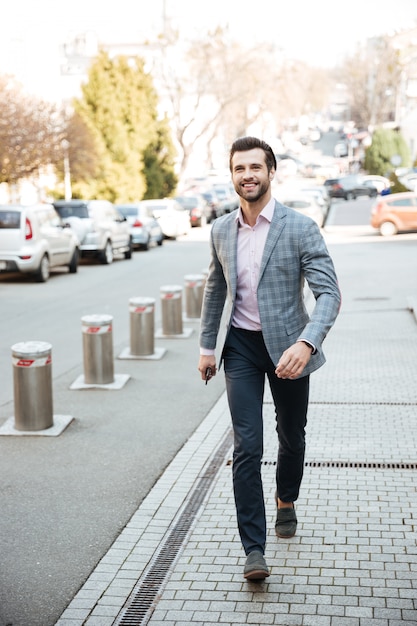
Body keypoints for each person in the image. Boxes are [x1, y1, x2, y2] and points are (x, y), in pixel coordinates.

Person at [198, 136, 341, 581]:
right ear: (233, 175)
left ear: (271, 171)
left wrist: (307, 342)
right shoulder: (222, 229)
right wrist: (207, 346)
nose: (247, 176)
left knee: (292, 436)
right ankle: (253, 550)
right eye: (239, 169)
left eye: (255, 167)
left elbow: (329, 294)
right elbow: (216, 288)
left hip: (288, 350)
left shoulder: (300, 227)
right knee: (247, 445)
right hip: (239, 347)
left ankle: (286, 498)